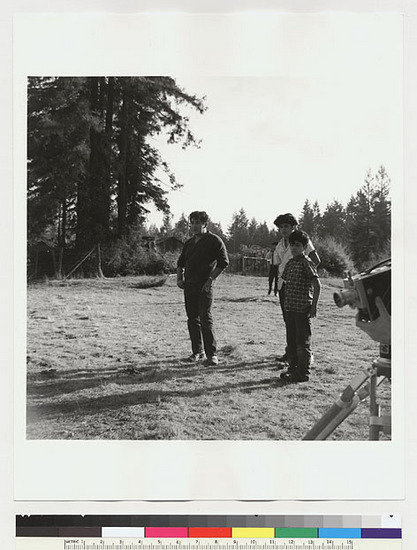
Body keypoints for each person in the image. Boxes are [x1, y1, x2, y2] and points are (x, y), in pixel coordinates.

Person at [177, 210, 229, 366]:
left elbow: (223, 263)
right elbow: (180, 263)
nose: (194, 226)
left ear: (205, 224)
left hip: (205, 287)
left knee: (205, 318)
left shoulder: (215, 241)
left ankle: (211, 355)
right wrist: (180, 278)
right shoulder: (189, 243)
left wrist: (211, 279)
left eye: (198, 223)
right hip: (189, 286)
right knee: (192, 320)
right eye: (192, 223)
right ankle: (197, 352)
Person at [273, 213, 320, 363]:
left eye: (286, 226)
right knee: (289, 321)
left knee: (302, 325)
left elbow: (315, 260)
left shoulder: (302, 241)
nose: (283, 230)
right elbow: (277, 265)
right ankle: (290, 353)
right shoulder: (281, 244)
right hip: (285, 286)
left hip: (299, 287)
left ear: (294, 227)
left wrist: (303, 277)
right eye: (280, 227)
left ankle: (306, 355)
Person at [279, 229, 321, 383]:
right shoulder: (290, 264)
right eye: (292, 245)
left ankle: (303, 373)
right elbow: (285, 284)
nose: (294, 248)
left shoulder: (307, 264)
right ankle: (293, 369)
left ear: (304, 247)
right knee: (291, 342)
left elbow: (317, 285)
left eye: (297, 245)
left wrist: (314, 306)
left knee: (302, 344)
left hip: (302, 310)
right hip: (290, 309)